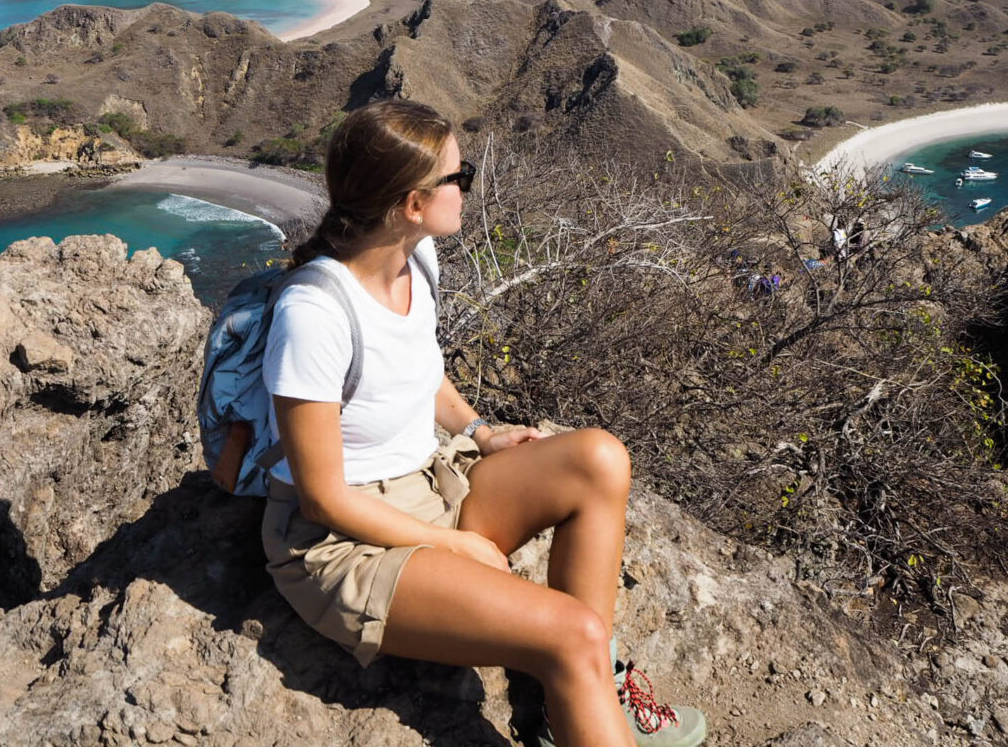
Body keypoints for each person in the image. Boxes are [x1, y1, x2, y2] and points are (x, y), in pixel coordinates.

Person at [260, 100, 706, 747]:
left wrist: (478, 432)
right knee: (572, 633)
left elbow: (417, 368)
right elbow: (323, 498)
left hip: (430, 482)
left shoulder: (416, 260)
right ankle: (580, 674)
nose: (469, 186)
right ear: (414, 203)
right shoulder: (313, 313)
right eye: (458, 178)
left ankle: (574, 698)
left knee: (599, 458)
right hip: (348, 542)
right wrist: (453, 545)